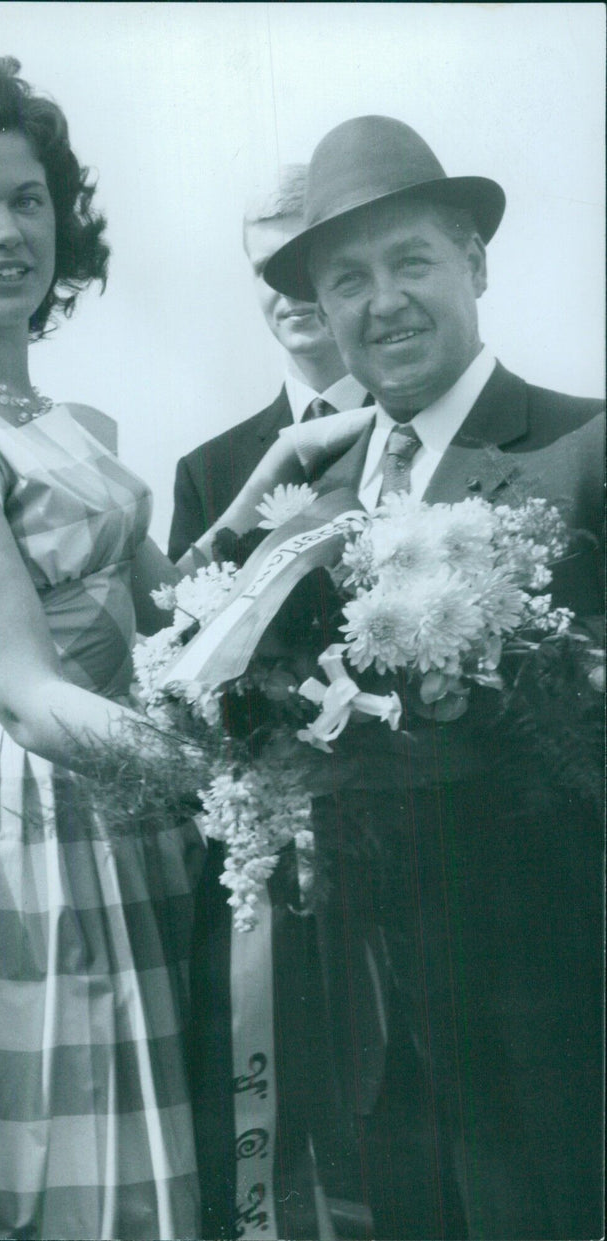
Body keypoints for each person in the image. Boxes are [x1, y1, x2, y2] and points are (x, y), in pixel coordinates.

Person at [0, 57, 361, 1241]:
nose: (8, 231)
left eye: (28, 199)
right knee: (25, 1160)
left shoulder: (55, 416)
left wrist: (267, 485)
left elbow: (159, 618)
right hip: (14, 817)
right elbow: (21, 692)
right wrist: (227, 784)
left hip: (116, 799)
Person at [264, 115, 605, 1239]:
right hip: (369, 1021)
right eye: (346, 280)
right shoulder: (305, 512)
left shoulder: (578, 452)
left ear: (475, 262)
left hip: (550, 1021)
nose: (381, 302)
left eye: (410, 260)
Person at [169, 169, 379, 1241]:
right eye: (271, 270)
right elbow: (174, 669)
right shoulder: (211, 472)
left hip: (405, 875)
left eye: (314, 260)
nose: (295, 290)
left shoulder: (432, 441)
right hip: (266, 880)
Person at [167, 165, 367, 565]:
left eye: (301, 262)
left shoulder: (417, 429)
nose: (286, 289)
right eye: (266, 270)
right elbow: (181, 622)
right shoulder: (206, 469)